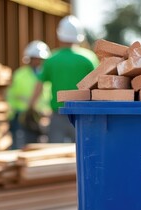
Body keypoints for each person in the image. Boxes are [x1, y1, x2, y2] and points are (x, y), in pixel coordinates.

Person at [30, 15, 99, 143]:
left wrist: (31, 106)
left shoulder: (52, 59)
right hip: (83, 115)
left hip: (58, 114)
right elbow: (99, 85)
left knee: (55, 152)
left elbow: (39, 85)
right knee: (83, 150)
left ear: (60, 35)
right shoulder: (89, 58)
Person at [7, 40, 52, 149]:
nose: (37, 61)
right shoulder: (20, 75)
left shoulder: (47, 75)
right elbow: (11, 95)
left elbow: (49, 95)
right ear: (29, 59)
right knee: (21, 146)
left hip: (41, 116)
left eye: (40, 59)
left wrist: (47, 112)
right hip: (23, 116)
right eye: (35, 58)